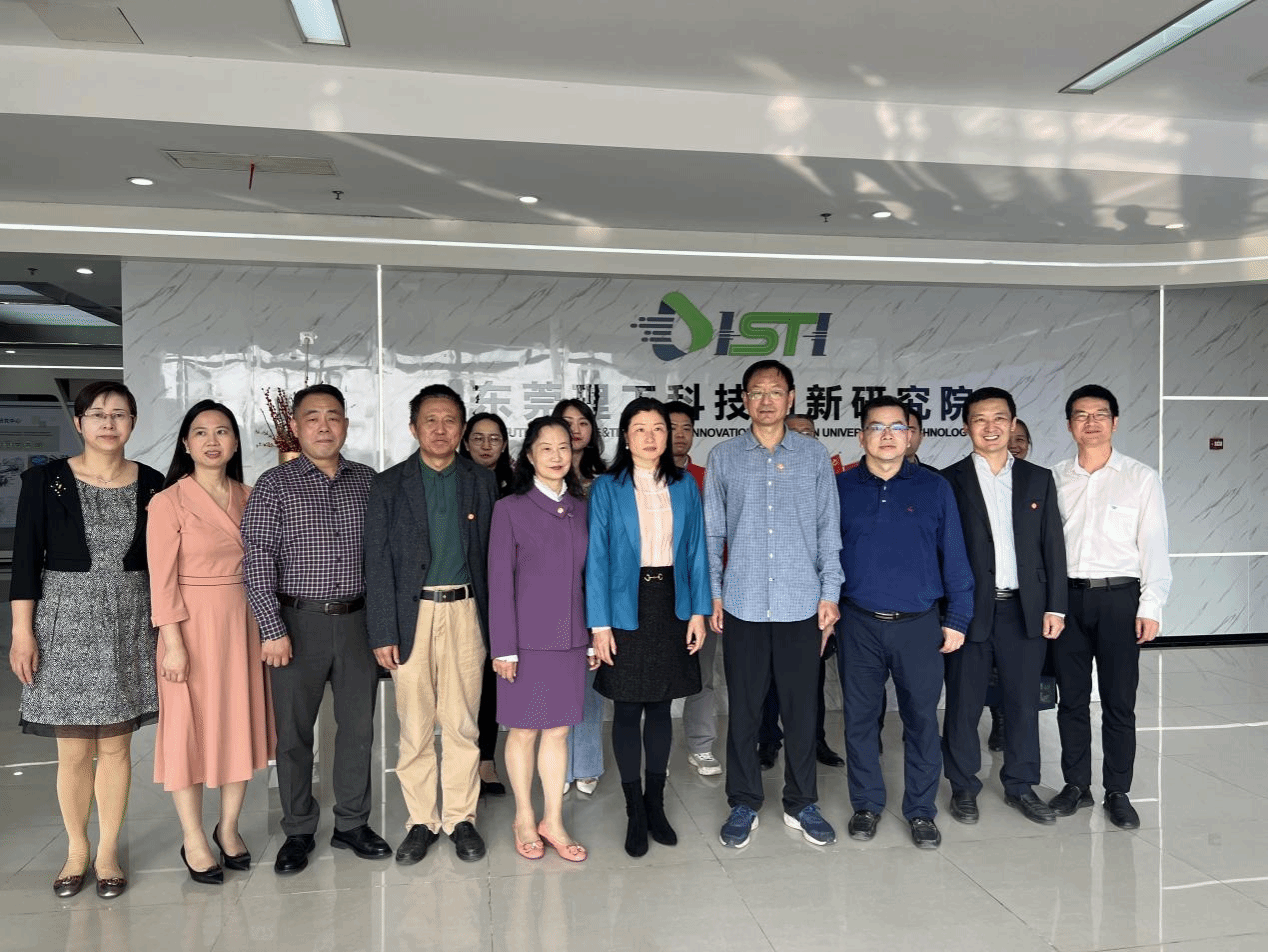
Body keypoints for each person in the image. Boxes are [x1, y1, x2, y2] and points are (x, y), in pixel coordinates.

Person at [8, 381, 163, 899]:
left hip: (128, 623)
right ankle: (76, 850)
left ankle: (108, 851)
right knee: (73, 750)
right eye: (97, 414)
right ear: (78, 423)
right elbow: (25, 562)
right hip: (64, 622)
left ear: (133, 422)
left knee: (116, 747)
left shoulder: (153, 484)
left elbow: (164, 564)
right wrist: (22, 632)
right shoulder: (44, 481)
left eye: (119, 414)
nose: (108, 423)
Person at [241, 383, 390, 875]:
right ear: (296, 426)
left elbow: (384, 559)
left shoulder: (368, 481)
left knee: (358, 730)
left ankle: (352, 823)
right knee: (293, 734)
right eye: (313, 417)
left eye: (333, 416)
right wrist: (271, 628)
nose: (324, 426)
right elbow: (257, 559)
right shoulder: (274, 485)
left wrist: (384, 628)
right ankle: (299, 829)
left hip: (357, 623)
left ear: (345, 424)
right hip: (295, 625)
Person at [705, 360, 843, 850]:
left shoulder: (813, 456)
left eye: (775, 391)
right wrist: (715, 594)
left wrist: (830, 594)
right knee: (743, 711)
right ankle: (744, 801)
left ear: (791, 398)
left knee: (801, 711)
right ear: (744, 400)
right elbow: (712, 534)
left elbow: (829, 531)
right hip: (742, 604)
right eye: (757, 392)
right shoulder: (724, 457)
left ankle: (802, 802)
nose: (766, 400)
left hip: (800, 604)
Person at [365, 384, 497, 864]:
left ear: (461, 429)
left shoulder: (481, 481)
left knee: (462, 722)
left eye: (449, 421)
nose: (440, 430)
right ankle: (421, 820)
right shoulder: (388, 484)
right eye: (430, 420)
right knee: (415, 724)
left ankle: (461, 818)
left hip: (466, 612)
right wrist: (383, 630)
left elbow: (493, 558)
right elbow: (376, 562)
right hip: (411, 615)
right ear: (413, 427)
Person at [837, 394, 973, 849]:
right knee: (860, 720)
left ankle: (920, 810)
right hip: (858, 622)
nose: (888, 435)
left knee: (920, 720)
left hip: (919, 624)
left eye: (897, 427)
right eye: (877, 427)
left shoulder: (934, 488)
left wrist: (957, 617)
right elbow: (825, 556)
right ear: (861, 436)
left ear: (910, 435)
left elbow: (955, 555)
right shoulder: (840, 488)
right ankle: (866, 804)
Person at [147, 400, 274, 884]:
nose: (212, 441)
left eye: (222, 431)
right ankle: (193, 836)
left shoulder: (251, 495)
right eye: (200, 432)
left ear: (236, 443)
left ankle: (229, 826)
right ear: (186, 443)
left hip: (242, 622)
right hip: (190, 627)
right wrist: (173, 643)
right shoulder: (169, 501)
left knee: (238, 722)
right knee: (189, 731)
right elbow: (161, 581)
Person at [588, 397, 711, 856]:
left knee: (661, 705)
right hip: (625, 604)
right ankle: (633, 810)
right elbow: (597, 558)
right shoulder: (608, 487)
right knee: (626, 706)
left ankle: (655, 803)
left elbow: (696, 550)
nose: (650, 436)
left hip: (671, 602)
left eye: (658, 428)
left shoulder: (684, 485)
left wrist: (698, 611)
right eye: (639, 428)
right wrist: (599, 624)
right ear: (625, 437)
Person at [939, 388, 1066, 827]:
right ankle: (963, 786)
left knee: (1023, 702)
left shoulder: (1038, 478)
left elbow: (1053, 545)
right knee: (963, 702)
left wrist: (1056, 607)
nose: (990, 427)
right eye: (980, 419)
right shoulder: (949, 480)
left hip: (1024, 610)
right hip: (968, 611)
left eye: (999, 418)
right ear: (966, 428)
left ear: (1013, 425)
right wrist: (946, 614)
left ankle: (1021, 784)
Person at [1048, 385, 1171, 830]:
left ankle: (1118, 791)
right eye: (1081, 415)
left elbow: (1154, 545)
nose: (1091, 422)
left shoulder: (1140, 477)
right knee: (1071, 699)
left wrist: (1151, 604)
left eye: (1100, 414)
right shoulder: (1053, 478)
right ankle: (1076, 785)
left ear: (1115, 423)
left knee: (1119, 701)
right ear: (1069, 425)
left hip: (1121, 599)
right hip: (1066, 600)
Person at [488, 416, 595, 862]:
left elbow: (592, 578)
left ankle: (553, 819)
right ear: (528, 456)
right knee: (524, 730)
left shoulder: (581, 507)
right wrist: (503, 647)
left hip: (571, 638)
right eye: (545, 448)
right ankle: (525, 817)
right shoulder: (510, 509)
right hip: (525, 642)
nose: (556, 456)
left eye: (564, 447)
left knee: (559, 731)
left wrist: (592, 636)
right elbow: (499, 581)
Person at [759, 413, 845, 771]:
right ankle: (768, 741)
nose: (802, 441)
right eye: (795, 435)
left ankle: (816, 740)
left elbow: (830, 542)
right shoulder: (762, 481)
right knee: (766, 680)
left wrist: (830, 594)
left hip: (810, 600)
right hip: (763, 599)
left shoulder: (822, 480)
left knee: (811, 681)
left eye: (809, 434)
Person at [552, 397, 607, 795]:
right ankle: (557, 766)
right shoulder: (538, 480)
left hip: (593, 589)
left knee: (588, 680)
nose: (575, 429)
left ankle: (585, 763)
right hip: (549, 591)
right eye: (566, 422)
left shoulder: (606, 481)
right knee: (554, 680)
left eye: (582, 422)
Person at [460, 411, 514, 798]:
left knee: (492, 682)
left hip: (504, 595)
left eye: (494, 439)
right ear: (466, 442)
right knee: (464, 683)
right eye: (478, 438)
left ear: (505, 444)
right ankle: (462, 764)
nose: (485, 445)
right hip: (464, 593)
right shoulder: (455, 481)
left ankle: (487, 761)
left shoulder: (517, 484)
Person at [666, 400, 721, 777]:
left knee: (702, 673)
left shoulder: (706, 476)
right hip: (655, 591)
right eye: (671, 428)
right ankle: (656, 751)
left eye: (687, 428)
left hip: (700, 591)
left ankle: (701, 745)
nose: (679, 435)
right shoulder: (639, 478)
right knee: (654, 673)